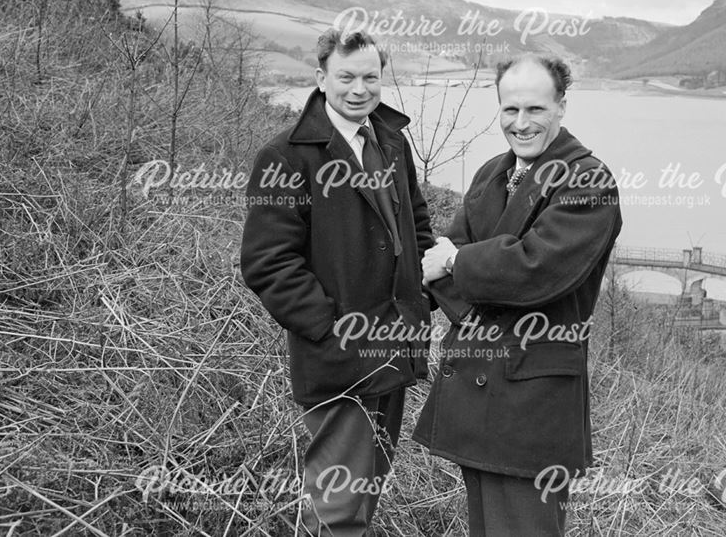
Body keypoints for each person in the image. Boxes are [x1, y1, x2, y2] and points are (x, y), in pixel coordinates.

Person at [413, 54, 622, 536]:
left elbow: (535, 271)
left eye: (536, 109)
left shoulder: (587, 181)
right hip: (477, 396)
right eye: (510, 110)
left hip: (531, 405)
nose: (521, 123)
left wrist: (459, 265)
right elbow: (445, 270)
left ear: (561, 107)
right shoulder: (492, 173)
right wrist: (466, 270)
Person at [240, 28, 434, 536]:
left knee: (365, 497)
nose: (359, 88)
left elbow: (416, 232)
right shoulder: (286, 157)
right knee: (337, 509)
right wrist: (332, 331)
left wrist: (420, 305)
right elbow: (268, 263)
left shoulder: (391, 144)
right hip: (339, 361)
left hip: (394, 352)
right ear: (321, 77)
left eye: (371, 77)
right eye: (346, 76)